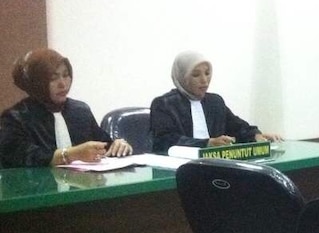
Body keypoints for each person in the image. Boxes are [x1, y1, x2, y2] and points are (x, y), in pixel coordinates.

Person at [0, 48, 133, 168]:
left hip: (83, 188)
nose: (63, 84)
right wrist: (72, 154)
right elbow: (25, 157)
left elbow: (104, 144)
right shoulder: (15, 118)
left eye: (66, 75)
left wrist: (118, 146)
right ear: (37, 82)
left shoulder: (80, 111)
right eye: (53, 78)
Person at [150, 51, 282, 153]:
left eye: (207, 73)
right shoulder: (164, 104)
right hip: (179, 168)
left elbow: (237, 127)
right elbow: (164, 141)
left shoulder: (214, 102)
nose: (204, 80)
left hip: (215, 165)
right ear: (182, 77)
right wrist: (207, 143)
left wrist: (256, 135)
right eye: (196, 75)